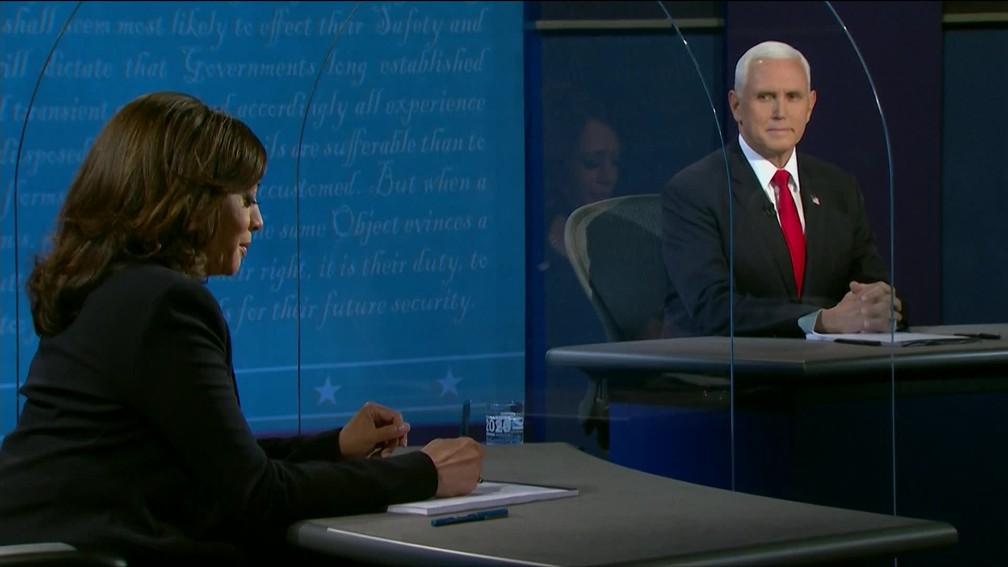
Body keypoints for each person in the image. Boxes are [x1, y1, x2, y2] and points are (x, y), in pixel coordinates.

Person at [0, 92, 485, 565]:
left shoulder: (102, 288)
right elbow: (257, 494)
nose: (258, 220)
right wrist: (425, 472)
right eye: (247, 198)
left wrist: (336, 448)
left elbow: (218, 460)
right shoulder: (163, 304)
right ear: (189, 200)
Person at [661, 41, 903, 338]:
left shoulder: (839, 188)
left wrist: (878, 308)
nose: (780, 111)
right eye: (765, 97)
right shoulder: (695, 191)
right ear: (736, 106)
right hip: (733, 374)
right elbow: (714, 307)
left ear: (810, 106)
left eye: (793, 97)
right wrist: (820, 320)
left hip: (824, 372)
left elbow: (871, 286)